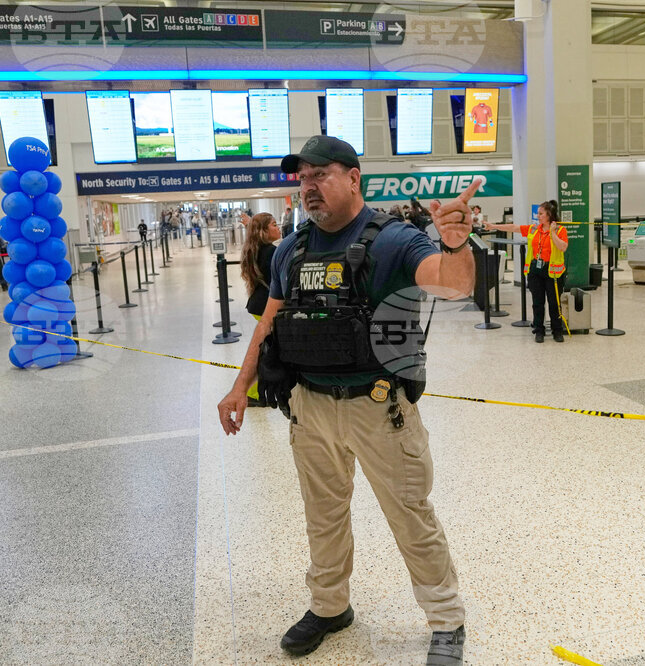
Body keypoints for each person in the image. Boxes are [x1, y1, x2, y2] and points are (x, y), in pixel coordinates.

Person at [217, 135, 476, 665]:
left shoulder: (394, 240)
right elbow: (270, 321)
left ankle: (446, 620)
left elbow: (451, 287)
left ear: (354, 178)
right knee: (323, 515)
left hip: (379, 408)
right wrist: (239, 385)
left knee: (409, 515)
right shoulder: (292, 247)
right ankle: (330, 606)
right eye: (303, 178)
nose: (309, 187)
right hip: (310, 408)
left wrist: (454, 243)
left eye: (321, 175)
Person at [485, 200, 569, 342]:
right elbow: (514, 227)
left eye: (541, 214)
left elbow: (562, 247)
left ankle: (557, 330)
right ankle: (539, 330)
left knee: (554, 303)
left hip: (553, 273)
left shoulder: (560, 230)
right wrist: (493, 226)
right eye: (538, 213)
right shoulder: (533, 229)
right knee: (538, 302)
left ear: (549, 215)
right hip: (535, 270)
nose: (538, 216)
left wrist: (552, 232)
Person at [241, 212, 282, 406]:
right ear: (264, 231)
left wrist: (250, 224)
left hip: (258, 303)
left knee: (268, 349)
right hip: (267, 306)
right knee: (267, 352)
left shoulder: (256, 248)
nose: (278, 227)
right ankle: (254, 393)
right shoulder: (271, 252)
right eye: (274, 225)